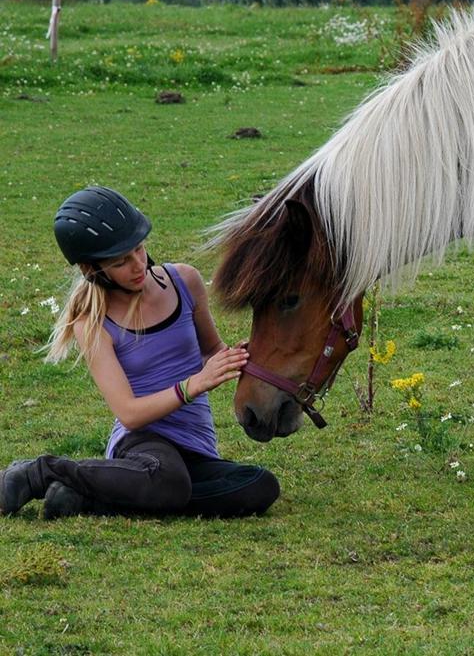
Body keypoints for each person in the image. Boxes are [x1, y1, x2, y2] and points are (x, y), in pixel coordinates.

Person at [1, 186, 280, 519]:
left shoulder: (184, 281)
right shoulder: (92, 324)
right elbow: (129, 414)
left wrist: (237, 359)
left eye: (139, 249)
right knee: (169, 480)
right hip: (142, 443)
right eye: (120, 262)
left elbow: (211, 351)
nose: (138, 265)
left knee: (260, 485)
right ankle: (40, 472)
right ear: (92, 270)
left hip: (194, 446)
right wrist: (193, 385)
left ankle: (89, 497)